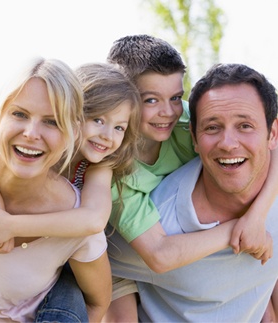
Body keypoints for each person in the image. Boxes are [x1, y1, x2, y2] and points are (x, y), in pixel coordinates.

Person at [103, 34, 278, 322]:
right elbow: (157, 255)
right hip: (137, 246)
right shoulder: (115, 171)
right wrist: (236, 229)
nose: (167, 112)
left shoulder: (185, 122)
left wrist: (256, 217)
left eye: (175, 97)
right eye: (151, 100)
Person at [0, 62, 141, 322]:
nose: (107, 136)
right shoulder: (7, 143)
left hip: (71, 264)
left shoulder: (98, 167)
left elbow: (93, 221)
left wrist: (11, 225)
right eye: (98, 120)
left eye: (119, 127)